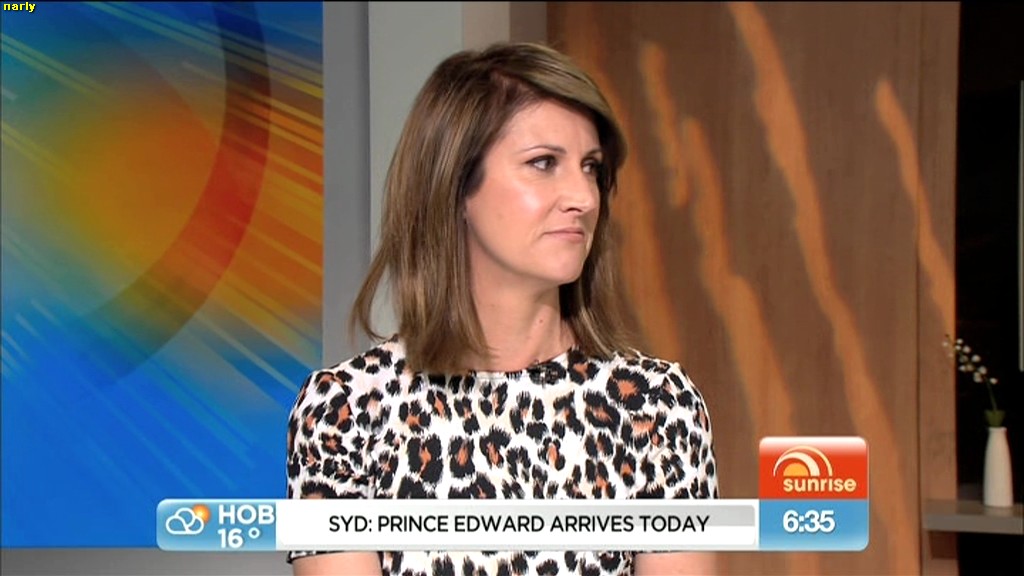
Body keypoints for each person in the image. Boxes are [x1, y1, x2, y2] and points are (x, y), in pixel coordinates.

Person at [286, 41, 719, 576]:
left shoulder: (657, 408)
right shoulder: (346, 411)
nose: (583, 197)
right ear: (455, 187)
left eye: (590, 167)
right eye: (544, 163)